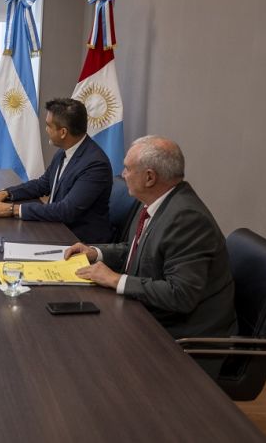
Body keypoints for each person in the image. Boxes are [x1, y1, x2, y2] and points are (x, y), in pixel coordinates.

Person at [65, 135, 236, 377]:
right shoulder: (156, 202)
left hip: (183, 337)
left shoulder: (187, 219)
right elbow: (138, 249)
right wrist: (96, 252)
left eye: (127, 168)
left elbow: (181, 295)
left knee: (86, 355)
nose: (122, 174)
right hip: (151, 315)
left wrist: (116, 279)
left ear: (149, 177)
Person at [0, 98, 112, 243]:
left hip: (78, 240)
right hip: (56, 228)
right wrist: (7, 193)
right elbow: (43, 184)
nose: (46, 130)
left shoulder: (95, 165)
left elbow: (66, 210)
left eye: (48, 126)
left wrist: (13, 209)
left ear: (63, 132)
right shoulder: (65, 151)